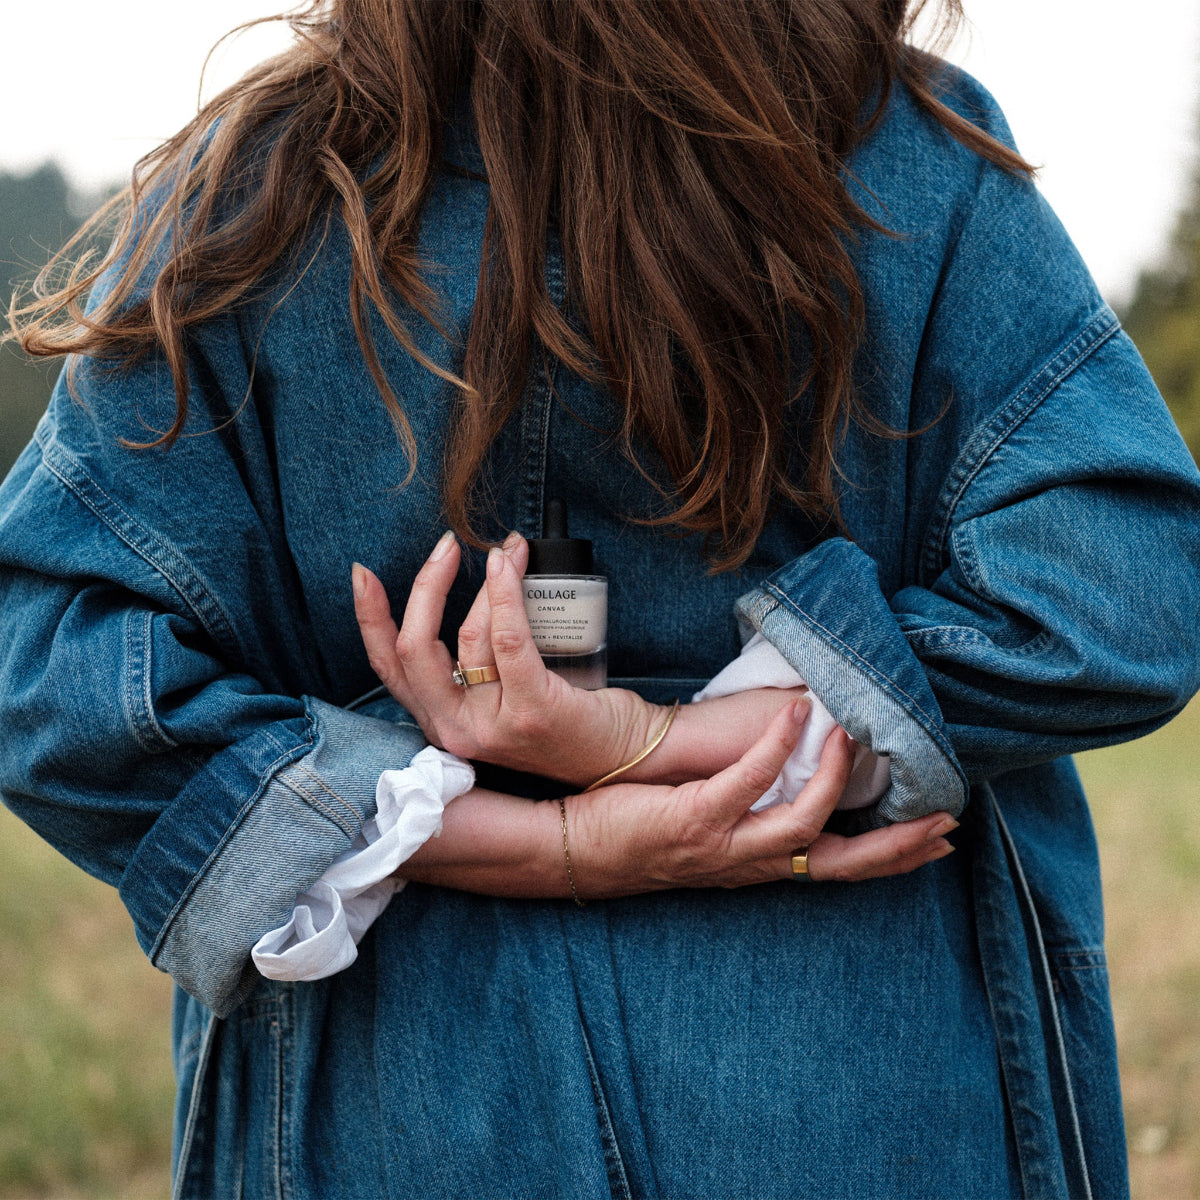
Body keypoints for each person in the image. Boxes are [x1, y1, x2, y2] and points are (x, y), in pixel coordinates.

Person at [2, 2, 1198, 1197]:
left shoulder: (255, 195)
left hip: (390, 1118)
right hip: (868, 1099)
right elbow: (1117, 587)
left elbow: (50, 674)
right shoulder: (898, 154)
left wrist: (592, 784)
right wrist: (616, 808)